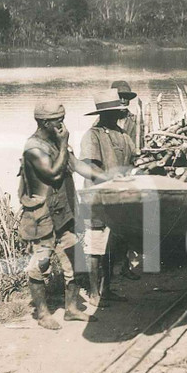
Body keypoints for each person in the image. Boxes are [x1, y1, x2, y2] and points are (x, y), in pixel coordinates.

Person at [19, 99, 104, 329]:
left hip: (63, 214)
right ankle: (43, 313)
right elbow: (54, 175)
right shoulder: (33, 148)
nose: (62, 125)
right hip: (42, 217)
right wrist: (65, 141)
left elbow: (76, 165)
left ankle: (71, 308)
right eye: (58, 121)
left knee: (74, 261)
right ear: (45, 122)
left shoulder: (57, 143)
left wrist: (108, 177)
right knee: (40, 265)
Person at [79, 87, 138, 305]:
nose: (119, 113)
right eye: (115, 110)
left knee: (113, 245)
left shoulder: (121, 135)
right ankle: (94, 293)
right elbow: (90, 169)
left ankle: (107, 289)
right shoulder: (92, 136)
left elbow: (134, 160)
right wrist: (112, 180)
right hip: (98, 201)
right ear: (105, 114)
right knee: (95, 247)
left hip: (119, 199)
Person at [106, 80, 143, 281]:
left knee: (129, 223)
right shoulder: (103, 122)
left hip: (130, 174)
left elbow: (141, 146)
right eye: (119, 97)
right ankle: (109, 269)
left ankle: (125, 265)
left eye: (126, 98)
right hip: (112, 176)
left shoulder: (135, 121)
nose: (123, 101)